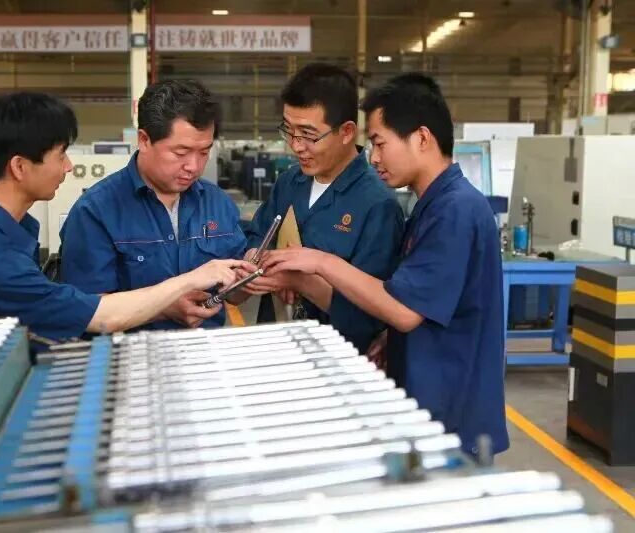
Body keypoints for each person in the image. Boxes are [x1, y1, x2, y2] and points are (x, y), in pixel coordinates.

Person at [261, 73, 509, 458]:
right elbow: (431, 302)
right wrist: (390, 337)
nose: (374, 157)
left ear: (421, 138)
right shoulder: (431, 207)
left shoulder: (455, 210)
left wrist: (320, 263)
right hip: (427, 402)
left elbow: (405, 311)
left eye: (379, 143)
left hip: (451, 416)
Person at [0, 91, 251, 342]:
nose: (69, 167)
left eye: (203, 152)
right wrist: (191, 280)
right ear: (20, 167)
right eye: (61, 155)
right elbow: (98, 315)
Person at [59, 79, 249, 331]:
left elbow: (235, 295)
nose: (194, 166)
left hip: (204, 349)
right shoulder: (96, 212)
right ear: (144, 140)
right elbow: (85, 311)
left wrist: (249, 280)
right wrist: (163, 309)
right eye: (180, 153)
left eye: (204, 152)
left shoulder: (218, 204)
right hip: (128, 352)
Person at [241, 63, 403, 354]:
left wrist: (300, 281)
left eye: (308, 134)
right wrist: (256, 259)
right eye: (289, 130)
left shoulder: (378, 205)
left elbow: (370, 314)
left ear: (346, 132)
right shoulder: (289, 183)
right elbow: (257, 235)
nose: (296, 146)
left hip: (336, 358)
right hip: (275, 345)